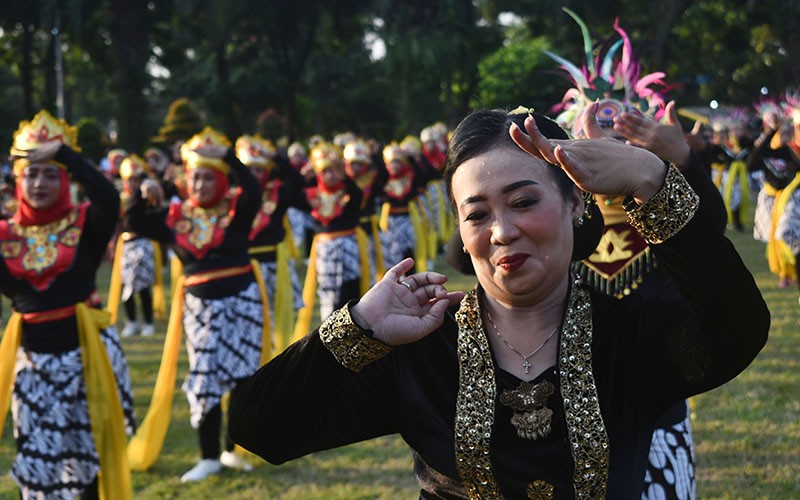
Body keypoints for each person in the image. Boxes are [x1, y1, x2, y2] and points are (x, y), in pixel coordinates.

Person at [228, 106, 769, 498]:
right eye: (477, 214)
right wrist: (361, 325)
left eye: (524, 201)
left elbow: (738, 329)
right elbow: (258, 427)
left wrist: (650, 177)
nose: (503, 231)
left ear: (574, 202)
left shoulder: (629, 337)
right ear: (462, 234)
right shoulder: (424, 348)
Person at [0, 110, 136, 499]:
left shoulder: (84, 224)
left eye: (50, 174)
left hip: (85, 362)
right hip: (31, 367)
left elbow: (109, 196)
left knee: (84, 459)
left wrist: (64, 154)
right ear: (17, 181)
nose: (39, 183)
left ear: (65, 181)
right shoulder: (6, 235)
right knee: (35, 459)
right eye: (31, 174)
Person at [125, 126, 267, 482]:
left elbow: (253, 189)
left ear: (221, 180)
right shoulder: (174, 217)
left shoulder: (236, 211)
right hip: (199, 309)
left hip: (243, 303)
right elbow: (132, 221)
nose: (200, 184)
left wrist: (228, 157)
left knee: (243, 378)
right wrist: (146, 189)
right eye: (195, 177)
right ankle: (208, 456)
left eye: (208, 177)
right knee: (205, 379)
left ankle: (232, 450)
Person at [106, 154, 170, 337]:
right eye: (129, 179)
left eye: (136, 179)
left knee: (143, 286)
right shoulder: (119, 198)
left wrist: (147, 185)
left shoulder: (146, 196)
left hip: (143, 243)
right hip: (125, 245)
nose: (133, 183)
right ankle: (131, 321)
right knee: (126, 286)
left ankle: (148, 322)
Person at [748, 94, 800, 293]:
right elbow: (754, 161)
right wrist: (772, 131)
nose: (786, 136)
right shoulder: (779, 151)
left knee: (788, 236)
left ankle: (793, 274)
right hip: (777, 200)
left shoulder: (792, 152)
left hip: (791, 200)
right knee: (779, 238)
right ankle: (786, 274)